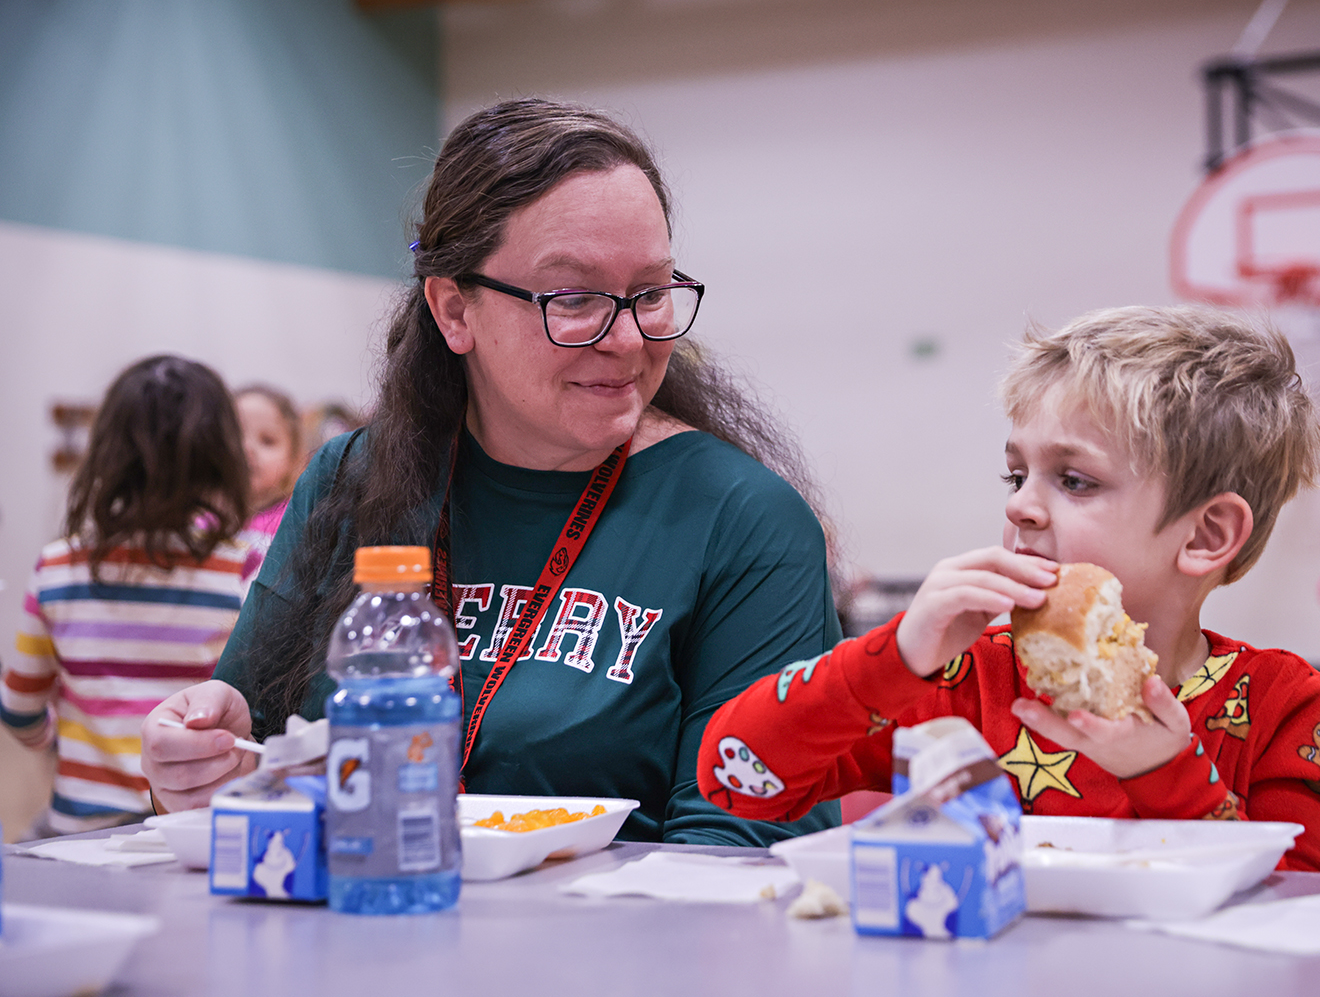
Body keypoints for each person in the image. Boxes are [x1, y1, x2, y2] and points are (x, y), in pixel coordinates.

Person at [139, 98, 840, 846]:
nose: (628, 337)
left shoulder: (743, 520)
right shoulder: (352, 479)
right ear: (454, 311)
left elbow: (741, 852)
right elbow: (252, 754)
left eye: (651, 292)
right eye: (574, 297)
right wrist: (202, 767)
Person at [697, 306, 1320, 872]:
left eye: (1075, 480)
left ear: (1207, 534)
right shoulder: (963, 678)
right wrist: (891, 657)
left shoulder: (1280, 701)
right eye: (1017, 475)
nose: (1021, 508)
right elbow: (738, 781)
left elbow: (1305, 902)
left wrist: (1164, 771)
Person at [1, 356, 252, 836]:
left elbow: (18, 708)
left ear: (106, 451)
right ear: (221, 455)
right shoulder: (241, 571)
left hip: (79, 828)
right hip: (191, 832)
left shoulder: (58, 566)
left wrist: (68, 747)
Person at [234, 384, 302, 583]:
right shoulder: (200, 520)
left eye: (267, 441)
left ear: (293, 458)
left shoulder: (295, 522)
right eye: (235, 435)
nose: (247, 448)